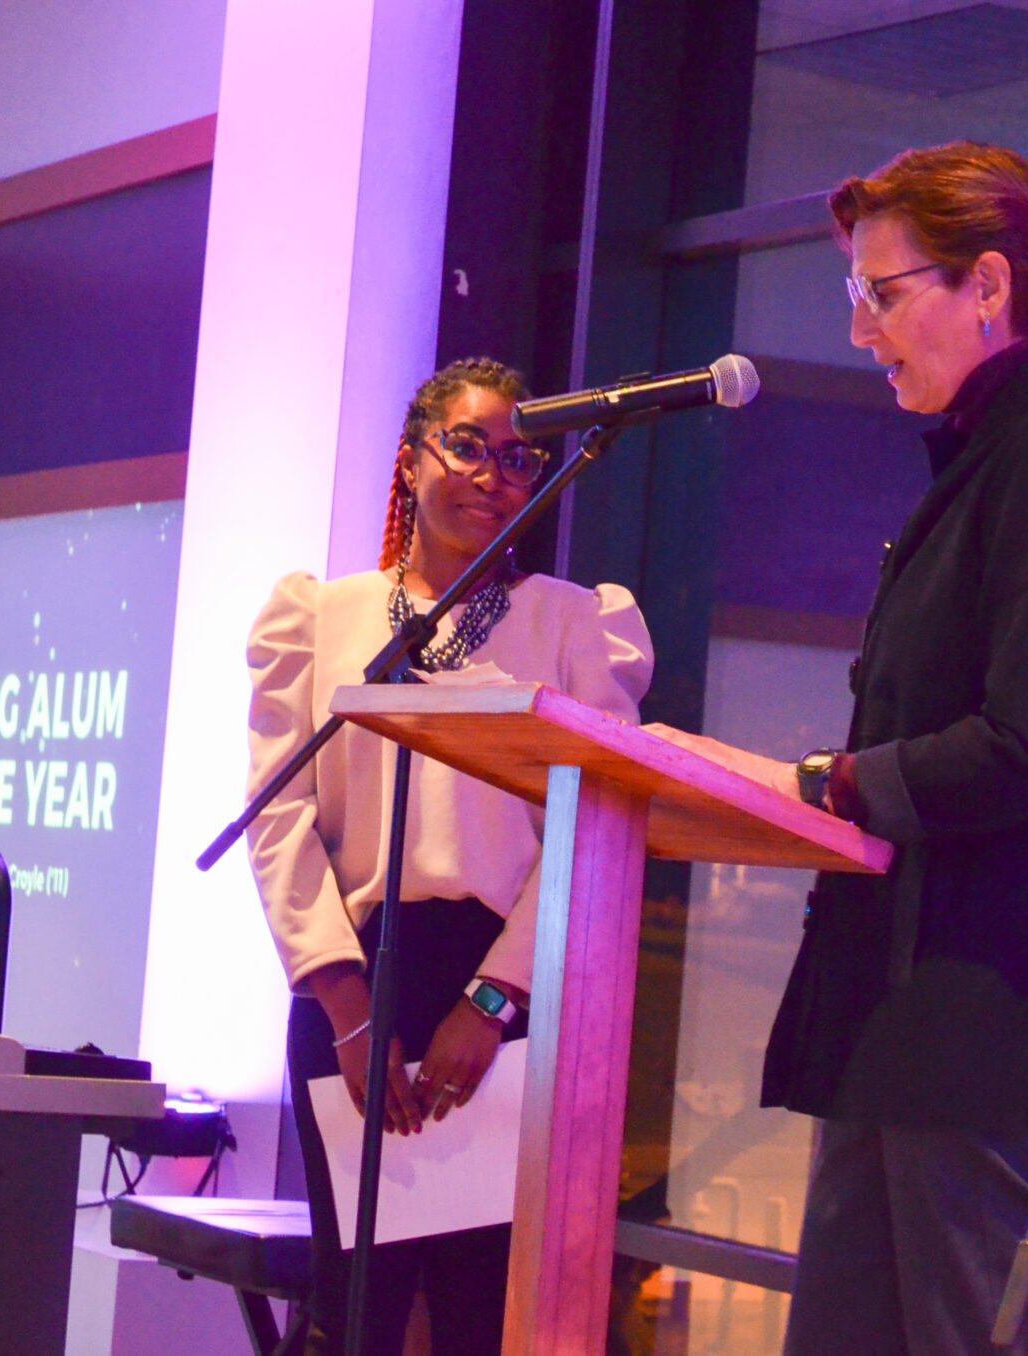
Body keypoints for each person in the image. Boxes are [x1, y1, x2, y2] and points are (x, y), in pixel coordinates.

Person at [651, 143, 1028, 1354]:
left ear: (985, 286)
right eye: (853, 297)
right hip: (895, 1027)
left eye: (881, 294)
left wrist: (828, 783)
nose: (862, 331)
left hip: (980, 1041)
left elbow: (1025, 745)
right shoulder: (981, 463)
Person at [244, 357, 653, 1354]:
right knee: (355, 1309)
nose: (492, 474)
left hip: (500, 993)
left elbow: (590, 829)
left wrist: (494, 1001)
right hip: (353, 986)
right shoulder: (321, 619)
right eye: (467, 445)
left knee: (478, 1308)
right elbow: (276, 815)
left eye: (519, 459)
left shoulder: (569, 622)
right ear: (408, 458)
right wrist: (346, 1011)